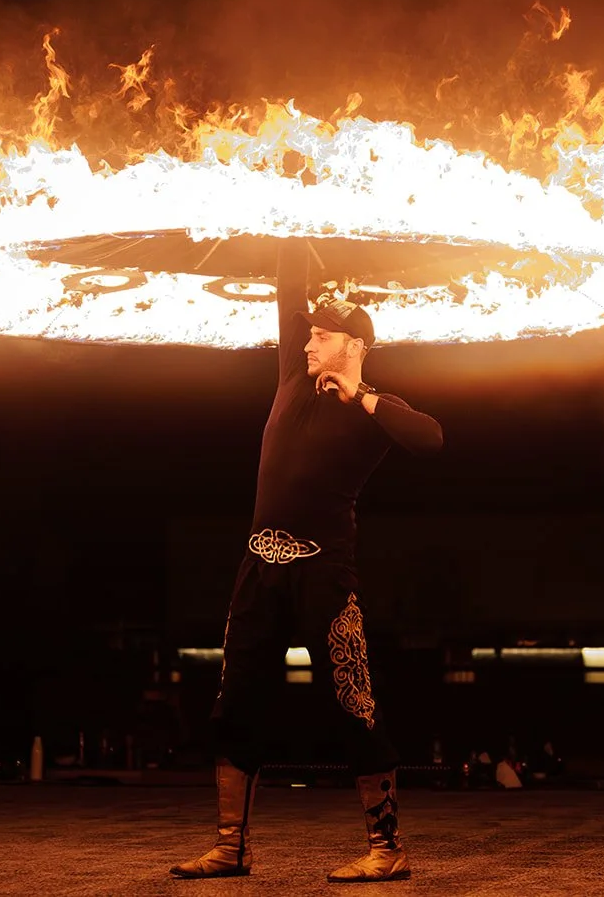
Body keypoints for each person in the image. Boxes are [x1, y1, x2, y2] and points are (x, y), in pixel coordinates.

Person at [171, 241, 443, 883]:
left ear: (354, 345)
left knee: (353, 701)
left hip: (324, 575)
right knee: (234, 702)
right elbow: (288, 287)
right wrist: (291, 228)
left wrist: (361, 395)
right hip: (258, 570)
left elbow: (431, 439)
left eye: (321, 336)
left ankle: (386, 850)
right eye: (309, 334)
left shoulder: (376, 412)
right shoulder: (292, 378)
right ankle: (230, 847)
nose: (308, 343)